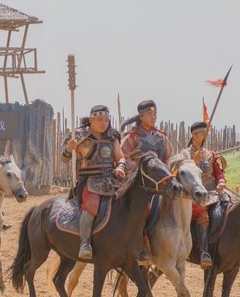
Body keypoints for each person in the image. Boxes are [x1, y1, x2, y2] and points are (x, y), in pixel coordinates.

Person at [63, 105, 126, 259]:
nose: (103, 123)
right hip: (89, 180)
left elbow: (120, 157)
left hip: (111, 179)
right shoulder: (78, 135)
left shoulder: (112, 136)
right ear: (91, 120)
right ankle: (85, 243)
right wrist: (69, 149)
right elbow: (64, 160)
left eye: (106, 120)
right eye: (99, 119)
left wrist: (120, 167)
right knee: (91, 204)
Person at [120, 100, 174, 264]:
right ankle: (140, 243)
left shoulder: (161, 137)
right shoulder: (132, 137)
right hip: (139, 183)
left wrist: (167, 170)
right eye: (150, 114)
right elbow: (123, 157)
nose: (153, 117)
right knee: (145, 208)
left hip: (161, 182)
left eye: (155, 114)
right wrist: (139, 170)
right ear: (141, 116)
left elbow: (170, 157)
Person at [188, 121, 229, 269]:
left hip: (214, 192)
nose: (205, 136)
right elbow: (183, 173)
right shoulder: (186, 154)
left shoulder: (211, 154)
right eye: (202, 133)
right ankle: (204, 252)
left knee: (230, 205)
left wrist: (221, 181)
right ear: (194, 135)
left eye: (206, 133)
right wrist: (193, 161)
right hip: (195, 193)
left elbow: (218, 172)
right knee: (202, 213)